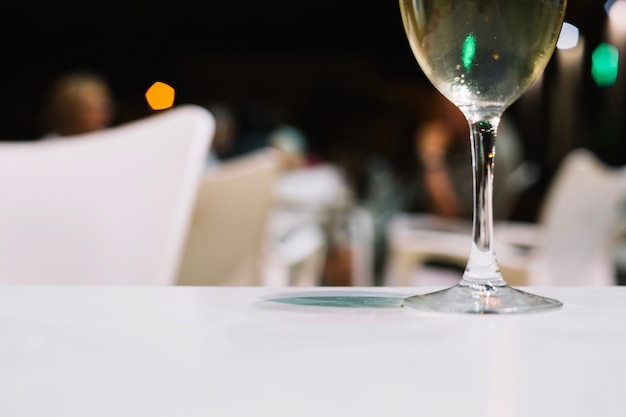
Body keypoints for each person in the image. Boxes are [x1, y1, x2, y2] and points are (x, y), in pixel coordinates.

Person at [39, 70, 115, 138]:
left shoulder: (110, 139)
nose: (102, 114)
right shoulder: (52, 145)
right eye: (90, 108)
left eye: (103, 106)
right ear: (71, 111)